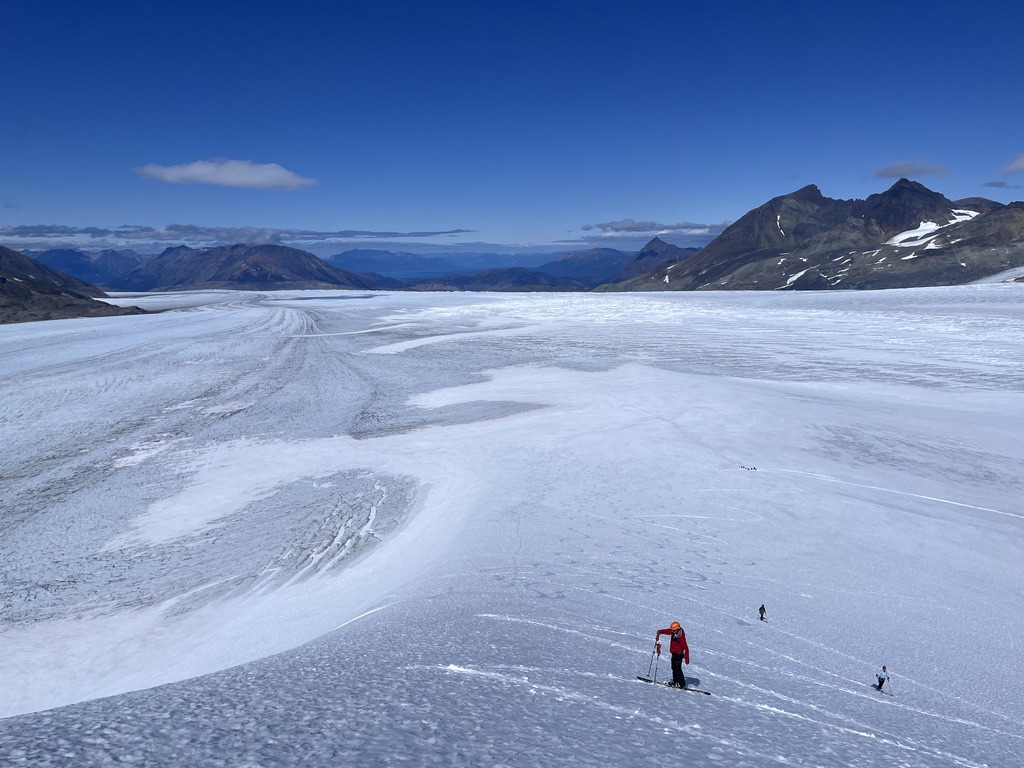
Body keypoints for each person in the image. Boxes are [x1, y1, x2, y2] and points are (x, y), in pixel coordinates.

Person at [655, 621, 690, 688]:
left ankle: (681, 684)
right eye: (672, 631)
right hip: (674, 654)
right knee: (673, 668)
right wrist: (661, 631)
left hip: (679, 655)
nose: (672, 632)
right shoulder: (674, 632)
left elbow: (686, 647)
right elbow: (668, 631)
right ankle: (675, 682)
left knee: (678, 669)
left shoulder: (681, 637)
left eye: (673, 631)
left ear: (677, 629)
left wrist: (687, 659)